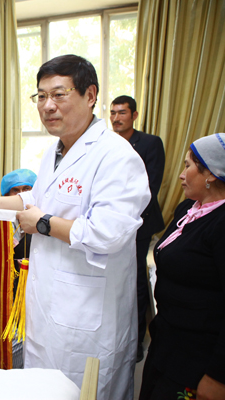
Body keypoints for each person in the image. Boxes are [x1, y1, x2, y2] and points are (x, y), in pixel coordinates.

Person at [0, 54, 150, 400]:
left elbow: (107, 232)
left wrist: (43, 224)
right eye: (41, 96)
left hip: (87, 314)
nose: (47, 106)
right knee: (43, 387)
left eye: (59, 94)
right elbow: (36, 199)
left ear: (90, 95)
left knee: (85, 390)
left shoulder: (116, 156)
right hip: (47, 305)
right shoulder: (54, 152)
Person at [139, 133, 225, 400]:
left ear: (211, 174)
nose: (181, 175)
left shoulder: (221, 224)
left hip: (198, 357)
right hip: (168, 342)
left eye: (188, 166)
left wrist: (217, 376)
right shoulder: (188, 208)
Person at [110, 95, 166, 362]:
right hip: (109, 222)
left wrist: (119, 213)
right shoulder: (107, 144)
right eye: (112, 113)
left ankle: (136, 342)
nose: (116, 118)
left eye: (122, 113)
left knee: (135, 280)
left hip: (138, 223)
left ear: (134, 115)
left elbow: (149, 187)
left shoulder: (150, 143)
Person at [1, 168, 37, 370]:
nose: (21, 195)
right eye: (15, 191)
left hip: (33, 305)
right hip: (5, 305)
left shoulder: (43, 229)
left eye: (27, 189)